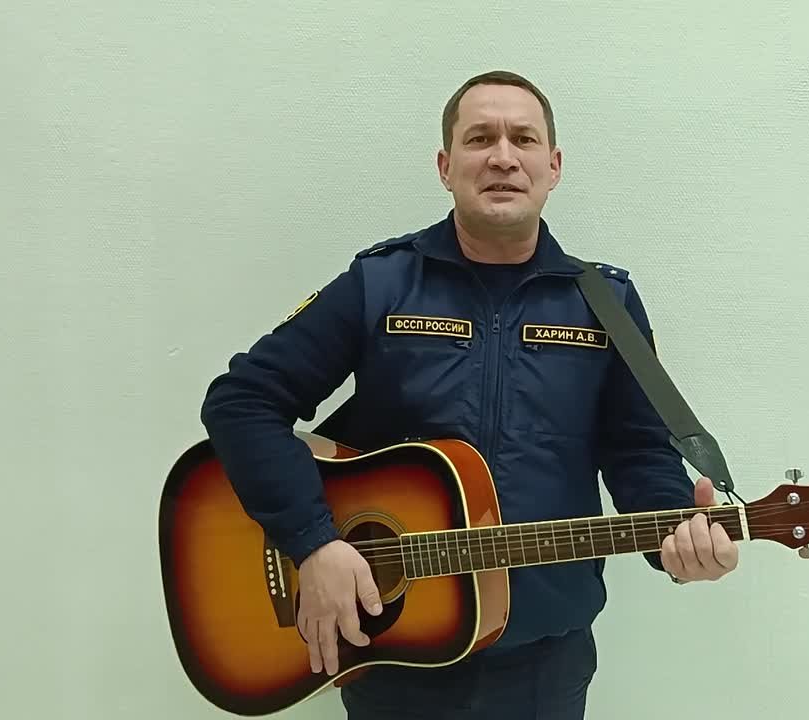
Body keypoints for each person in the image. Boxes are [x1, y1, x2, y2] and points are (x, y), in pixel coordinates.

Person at [199, 70, 739, 720]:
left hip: (545, 663)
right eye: (480, 138)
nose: (503, 157)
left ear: (553, 166)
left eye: (523, 139)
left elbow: (639, 452)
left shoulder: (608, 305)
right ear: (445, 165)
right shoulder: (382, 284)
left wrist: (679, 540)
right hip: (396, 653)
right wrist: (312, 541)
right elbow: (242, 402)